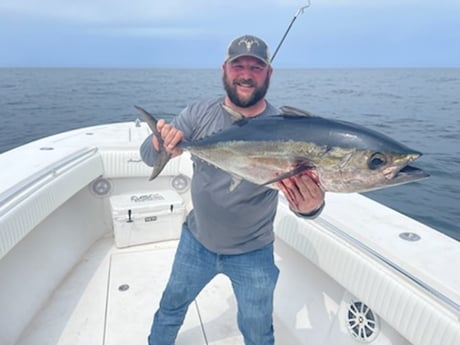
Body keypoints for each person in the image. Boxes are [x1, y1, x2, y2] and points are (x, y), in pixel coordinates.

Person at [140, 34, 325, 345]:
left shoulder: (285, 127)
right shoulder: (199, 114)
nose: (246, 74)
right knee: (170, 309)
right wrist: (162, 140)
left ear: (269, 74)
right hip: (196, 242)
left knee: (258, 331)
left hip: (254, 253)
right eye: (238, 65)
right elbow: (148, 155)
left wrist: (310, 207)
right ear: (224, 69)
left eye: (256, 67)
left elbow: (306, 201)